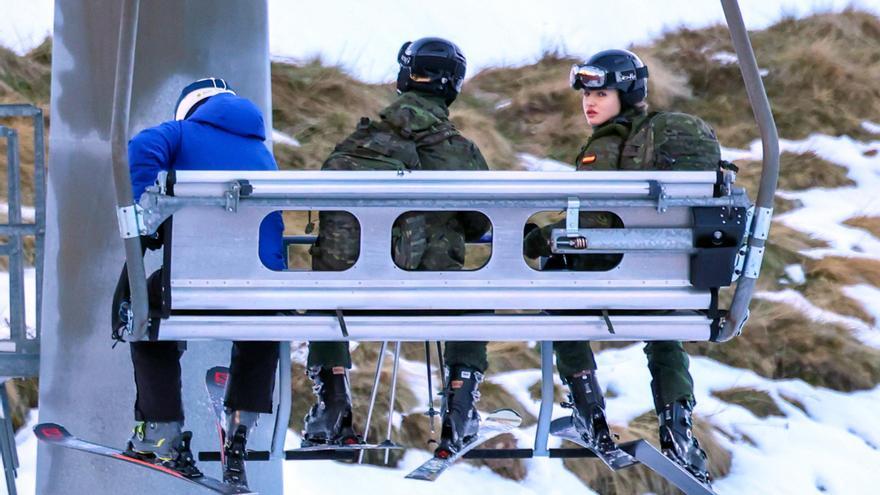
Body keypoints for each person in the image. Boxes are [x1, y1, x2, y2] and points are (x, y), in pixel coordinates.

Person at [524, 49, 713, 483]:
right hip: (667, 277)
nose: (589, 102)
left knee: (555, 287)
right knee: (663, 334)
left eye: (602, 93)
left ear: (626, 94)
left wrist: (542, 237)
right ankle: (677, 425)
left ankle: (587, 410)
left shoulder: (608, 143)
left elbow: (594, 225)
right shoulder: (655, 138)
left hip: (612, 272)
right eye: (586, 94)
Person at [304, 37, 492, 458]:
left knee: (321, 296)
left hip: (349, 297)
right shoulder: (457, 151)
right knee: (479, 301)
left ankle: (332, 404)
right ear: (453, 86)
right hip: (430, 295)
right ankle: (460, 408)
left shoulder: (357, 142)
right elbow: (482, 220)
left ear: (404, 78)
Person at [122, 78, 285, 488]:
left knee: (146, 312)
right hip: (260, 290)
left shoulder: (180, 132)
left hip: (192, 285)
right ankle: (241, 426)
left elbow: (142, 147)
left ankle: (161, 430)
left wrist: (149, 212)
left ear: (190, 108)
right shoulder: (262, 152)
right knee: (263, 323)